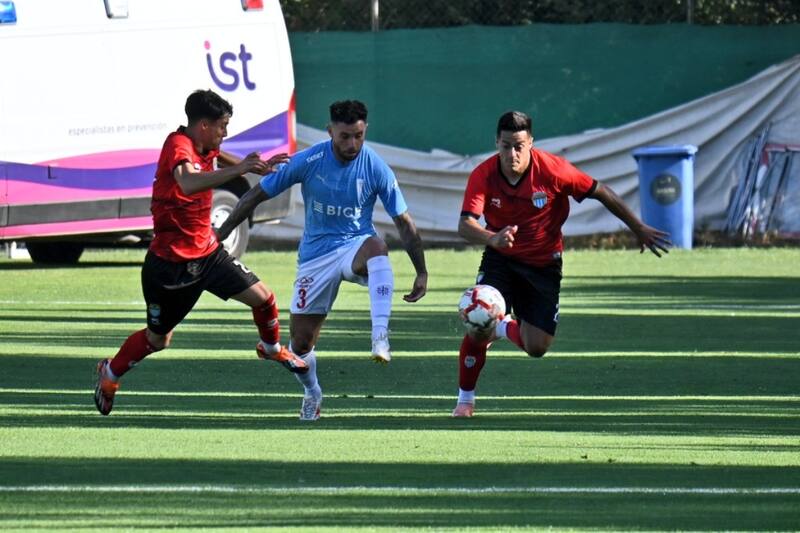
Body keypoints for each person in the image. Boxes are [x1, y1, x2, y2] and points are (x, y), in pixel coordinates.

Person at [93, 89, 308, 416]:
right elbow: (188, 183)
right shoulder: (177, 146)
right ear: (203, 125)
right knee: (157, 340)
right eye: (222, 126)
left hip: (208, 254)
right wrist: (240, 171)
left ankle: (271, 348)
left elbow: (219, 158)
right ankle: (109, 375)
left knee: (264, 298)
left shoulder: (208, 144)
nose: (225, 132)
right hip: (170, 267)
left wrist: (255, 166)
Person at [216, 99, 428, 421]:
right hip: (315, 257)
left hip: (355, 245)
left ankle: (380, 335)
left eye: (358, 135)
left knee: (378, 247)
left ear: (365, 130)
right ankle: (312, 392)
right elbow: (257, 195)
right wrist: (223, 232)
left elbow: (404, 222)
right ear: (330, 131)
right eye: (345, 136)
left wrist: (421, 271)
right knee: (300, 345)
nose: (352, 144)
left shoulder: (376, 167)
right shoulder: (310, 160)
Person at [452, 110, 671, 417]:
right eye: (505, 146)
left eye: (518, 146)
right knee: (478, 321)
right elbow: (464, 225)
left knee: (537, 347)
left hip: (543, 264)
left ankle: (501, 327)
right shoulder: (483, 174)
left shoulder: (554, 170)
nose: (512, 154)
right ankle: (465, 400)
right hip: (501, 258)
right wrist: (492, 238)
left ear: (531, 143)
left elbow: (601, 191)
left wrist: (639, 228)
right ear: (496, 143)